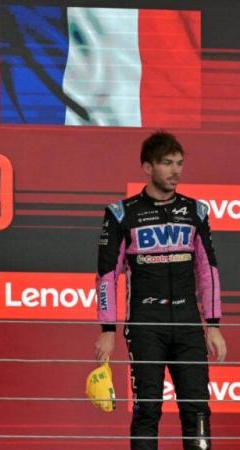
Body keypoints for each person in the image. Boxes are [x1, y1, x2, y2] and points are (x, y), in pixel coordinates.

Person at [94, 131, 227, 450]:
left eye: (179, 163)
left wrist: (214, 325)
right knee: (147, 410)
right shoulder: (121, 213)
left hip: (187, 324)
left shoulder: (197, 212)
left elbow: (207, 271)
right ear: (147, 167)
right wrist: (108, 328)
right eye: (167, 163)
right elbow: (107, 275)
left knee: (197, 409)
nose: (175, 170)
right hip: (145, 324)